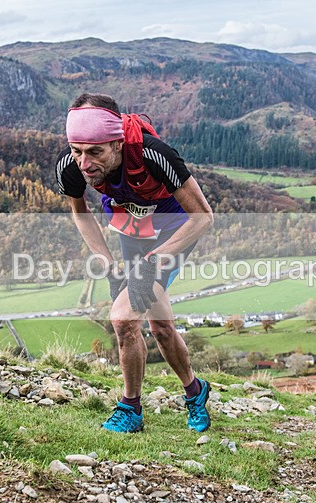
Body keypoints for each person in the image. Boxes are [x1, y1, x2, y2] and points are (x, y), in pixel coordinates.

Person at [55, 93, 214, 433]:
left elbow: (203, 217)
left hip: (175, 232)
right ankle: (195, 392)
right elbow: (81, 216)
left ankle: (130, 409)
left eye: (95, 152)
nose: (84, 163)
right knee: (159, 326)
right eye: (77, 151)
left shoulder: (154, 155)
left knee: (123, 319)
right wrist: (109, 264)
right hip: (132, 232)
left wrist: (152, 265)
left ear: (116, 143)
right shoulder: (72, 167)